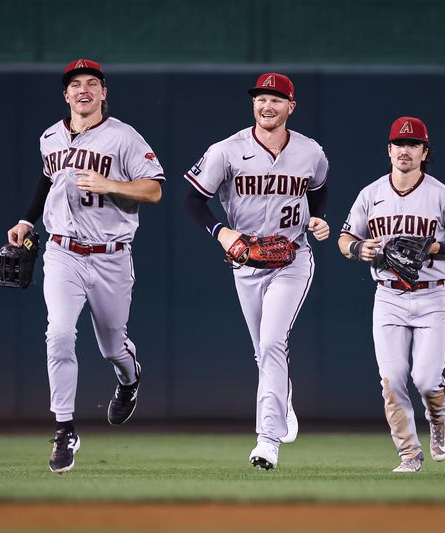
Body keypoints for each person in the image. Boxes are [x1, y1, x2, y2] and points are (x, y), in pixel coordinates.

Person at [6, 58, 164, 473]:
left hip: (112, 255)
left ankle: (129, 380)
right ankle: (64, 429)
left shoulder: (123, 137)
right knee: (58, 334)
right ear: (66, 94)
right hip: (63, 253)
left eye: (92, 83)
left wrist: (111, 184)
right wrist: (26, 218)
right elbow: (48, 179)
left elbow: (154, 190)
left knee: (112, 345)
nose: (83, 90)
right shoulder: (50, 137)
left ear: (103, 93)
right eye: (76, 84)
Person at [184, 73, 330, 470]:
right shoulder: (227, 150)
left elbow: (318, 189)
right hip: (246, 262)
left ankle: (267, 441)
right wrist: (220, 231)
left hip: (292, 259)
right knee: (262, 351)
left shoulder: (310, 151)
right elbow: (194, 201)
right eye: (261, 99)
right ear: (253, 105)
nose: (267, 105)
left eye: (276, 100)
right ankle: (282, 400)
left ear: (291, 107)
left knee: (271, 344)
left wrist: (318, 219)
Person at [338, 116, 445, 473]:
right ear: (389, 150)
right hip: (387, 296)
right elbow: (345, 238)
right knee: (392, 378)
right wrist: (358, 250)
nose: (405, 150)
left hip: (431, 297)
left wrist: (436, 246)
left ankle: (439, 415)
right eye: (399, 144)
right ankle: (409, 455)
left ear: (424, 152)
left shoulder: (441, 194)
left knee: (427, 380)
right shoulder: (371, 194)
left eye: (413, 144)